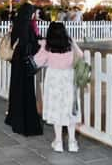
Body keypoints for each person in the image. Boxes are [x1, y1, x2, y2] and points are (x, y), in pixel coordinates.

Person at [34, 22, 83, 152]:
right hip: (68, 78)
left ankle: (59, 142)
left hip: (54, 78)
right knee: (70, 109)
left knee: (56, 109)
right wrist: (72, 42)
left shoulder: (47, 46)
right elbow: (80, 56)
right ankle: (72, 142)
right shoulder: (70, 45)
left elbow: (37, 61)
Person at [5, 2, 43, 136]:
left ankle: (13, 117)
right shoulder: (28, 27)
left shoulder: (17, 25)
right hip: (25, 61)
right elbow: (31, 45)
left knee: (16, 88)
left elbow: (15, 42)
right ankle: (24, 120)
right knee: (26, 90)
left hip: (17, 61)